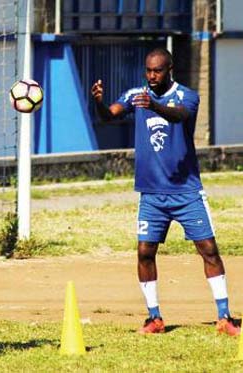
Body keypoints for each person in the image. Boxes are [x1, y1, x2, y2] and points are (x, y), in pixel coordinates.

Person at [91, 48, 240, 336]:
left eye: (157, 70)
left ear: (169, 69)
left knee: (209, 250)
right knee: (144, 253)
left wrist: (154, 106)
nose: (151, 76)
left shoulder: (187, 96)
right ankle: (154, 318)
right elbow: (110, 115)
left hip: (186, 192)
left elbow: (178, 116)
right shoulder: (138, 94)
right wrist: (98, 103)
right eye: (148, 70)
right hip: (151, 194)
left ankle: (224, 317)